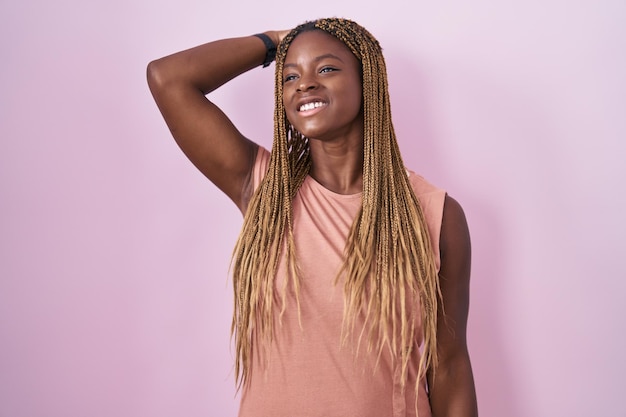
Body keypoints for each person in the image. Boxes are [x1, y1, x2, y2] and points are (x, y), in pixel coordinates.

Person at [147, 17, 478, 417]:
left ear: (367, 80)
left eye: (326, 68)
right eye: (290, 77)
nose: (304, 83)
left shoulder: (433, 213)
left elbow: (449, 366)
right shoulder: (266, 191)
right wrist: (273, 42)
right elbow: (167, 79)